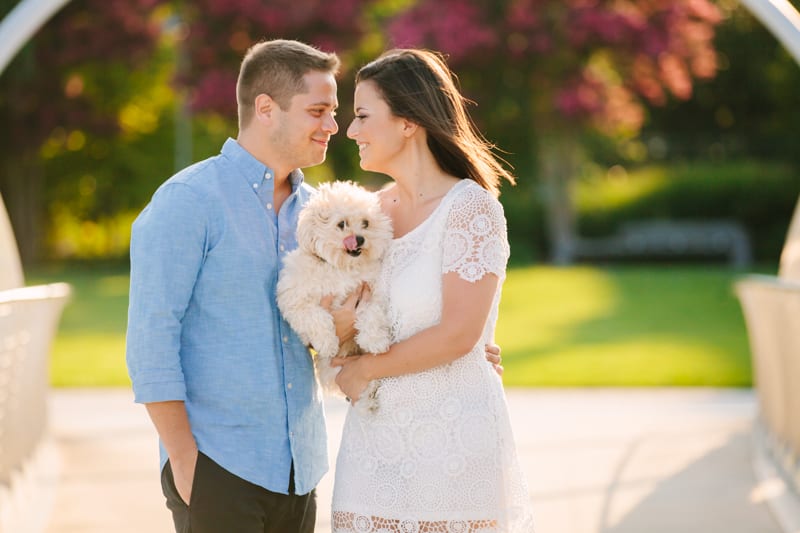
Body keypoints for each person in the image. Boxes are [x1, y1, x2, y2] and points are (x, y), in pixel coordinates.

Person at [126, 39, 502, 533]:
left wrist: (465, 349)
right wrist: (183, 458)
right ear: (266, 109)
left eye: (340, 112)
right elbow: (151, 340)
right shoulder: (188, 201)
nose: (335, 126)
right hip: (219, 461)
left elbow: (389, 300)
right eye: (320, 111)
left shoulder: (327, 214)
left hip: (300, 470)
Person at [330, 49, 536, 532]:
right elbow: (340, 316)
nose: (351, 130)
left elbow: (458, 335)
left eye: (362, 116)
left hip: (451, 454)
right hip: (373, 449)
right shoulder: (367, 216)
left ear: (408, 122)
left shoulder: (470, 209)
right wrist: (341, 335)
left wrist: (367, 370)